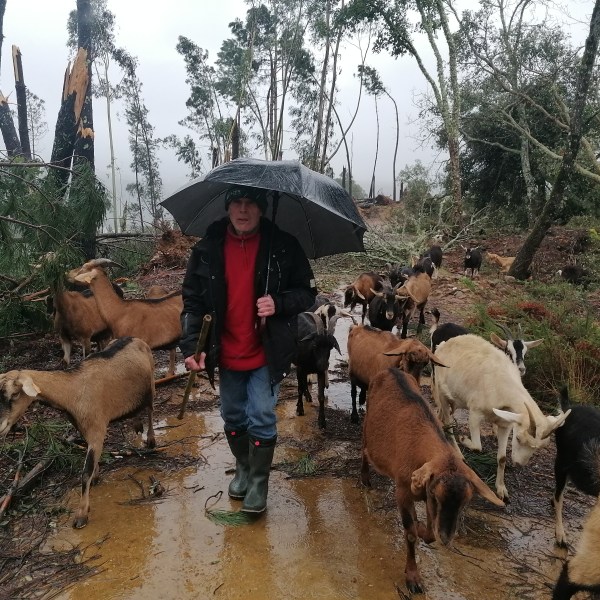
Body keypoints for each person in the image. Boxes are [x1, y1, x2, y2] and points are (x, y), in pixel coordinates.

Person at [180, 185, 316, 514]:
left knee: (262, 415)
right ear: (227, 209)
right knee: (233, 415)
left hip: (265, 351)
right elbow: (192, 302)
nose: (243, 210)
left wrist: (278, 302)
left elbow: (308, 294)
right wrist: (191, 345)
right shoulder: (207, 250)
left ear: (262, 209)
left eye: (250, 204)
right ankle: (242, 467)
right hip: (225, 352)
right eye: (237, 203)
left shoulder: (283, 247)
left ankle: (258, 481)